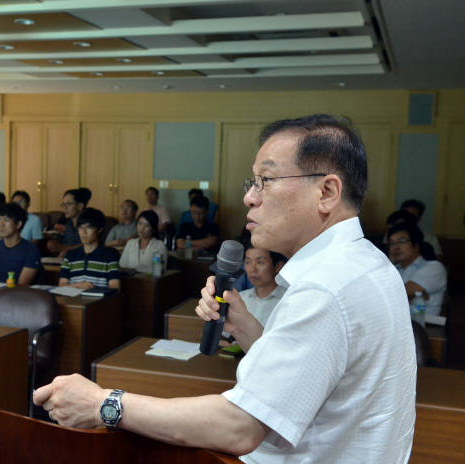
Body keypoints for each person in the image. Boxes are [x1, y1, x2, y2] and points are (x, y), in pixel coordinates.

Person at [33, 114, 416, 463]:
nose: (250, 196)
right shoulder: (365, 263)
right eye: (252, 182)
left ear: (327, 192)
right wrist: (245, 326)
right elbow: (312, 380)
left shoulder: (325, 288)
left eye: (266, 180)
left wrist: (104, 402)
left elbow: (241, 426)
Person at [388, 221, 447, 316]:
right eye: (391, 243)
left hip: (425, 328)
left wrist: (407, 294)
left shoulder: (434, 267)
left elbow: (398, 293)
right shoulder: (392, 270)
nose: (396, 247)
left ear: (416, 246)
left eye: (402, 241)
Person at [59, 207, 120, 290]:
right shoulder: (70, 255)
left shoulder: (110, 256)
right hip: (72, 301)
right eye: (80, 227)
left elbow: (115, 287)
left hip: (98, 302)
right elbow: (62, 285)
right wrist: (77, 286)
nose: (84, 232)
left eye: (89, 227)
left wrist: (93, 289)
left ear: (99, 230)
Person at [0, 202, 41, 285]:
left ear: (18, 224)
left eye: (6, 220)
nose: (1, 224)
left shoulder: (31, 250)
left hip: (17, 296)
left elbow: (22, 285)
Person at [237, 242, 286, 327]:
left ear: (278, 266)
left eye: (260, 262)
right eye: (248, 262)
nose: (253, 269)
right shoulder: (239, 298)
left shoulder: (287, 299)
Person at [47, 189, 85, 257]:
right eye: (63, 204)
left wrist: (62, 247)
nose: (65, 208)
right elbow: (65, 251)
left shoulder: (87, 225)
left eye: (69, 204)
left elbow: (89, 247)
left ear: (80, 206)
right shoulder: (69, 225)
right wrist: (57, 261)